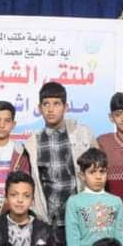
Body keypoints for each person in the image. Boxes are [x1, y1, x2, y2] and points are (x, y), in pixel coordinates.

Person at [23, 81, 98, 232]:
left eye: (56, 104)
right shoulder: (32, 143)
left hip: (81, 220)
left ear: (66, 107)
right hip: (49, 222)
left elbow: (98, 171)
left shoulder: (83, 134)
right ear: (39, 108)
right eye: (46, 104)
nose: (51, 109)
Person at [65, 148, 123, 246]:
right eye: (92, 172)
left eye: (102, 171)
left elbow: (120, 232)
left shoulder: (116, 201)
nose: (98, 177)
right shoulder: (74, 201)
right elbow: (72, 233)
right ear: (82, 175)